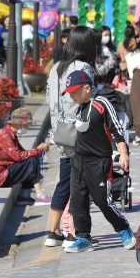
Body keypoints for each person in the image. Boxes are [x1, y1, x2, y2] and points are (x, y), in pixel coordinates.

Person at [62, 69, 135, 253]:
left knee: (103, 200)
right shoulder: (79, 107)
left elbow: (117, 129)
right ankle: (83, 237)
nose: (71, 96)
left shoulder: (102, 103)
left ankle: (123, 228)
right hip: (79, 160)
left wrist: (123, 153)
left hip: (99, 162)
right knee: (78, 199)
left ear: (87, 88)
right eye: (69, 92)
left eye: (74, 91)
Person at [45, 26, 98, 247]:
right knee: (80, 184)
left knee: (65, 181)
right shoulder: (84, 68)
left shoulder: (56, 67)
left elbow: (49, 98)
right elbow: (91, 101)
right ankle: (74, 233)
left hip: (60, 133)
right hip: (81, 132)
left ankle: (54, 231)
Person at [0, 108, 50, 206]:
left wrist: (39, 151)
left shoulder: (11, 135)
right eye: (26, 125)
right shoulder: (3, 134)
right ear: (19, 124)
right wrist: (38, 150)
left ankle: (24, 196)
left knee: (31, 159)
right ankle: (39, 194)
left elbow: (22, 153)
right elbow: (18, 156)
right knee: (31, 160)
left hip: (2, 171)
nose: (27, 127)